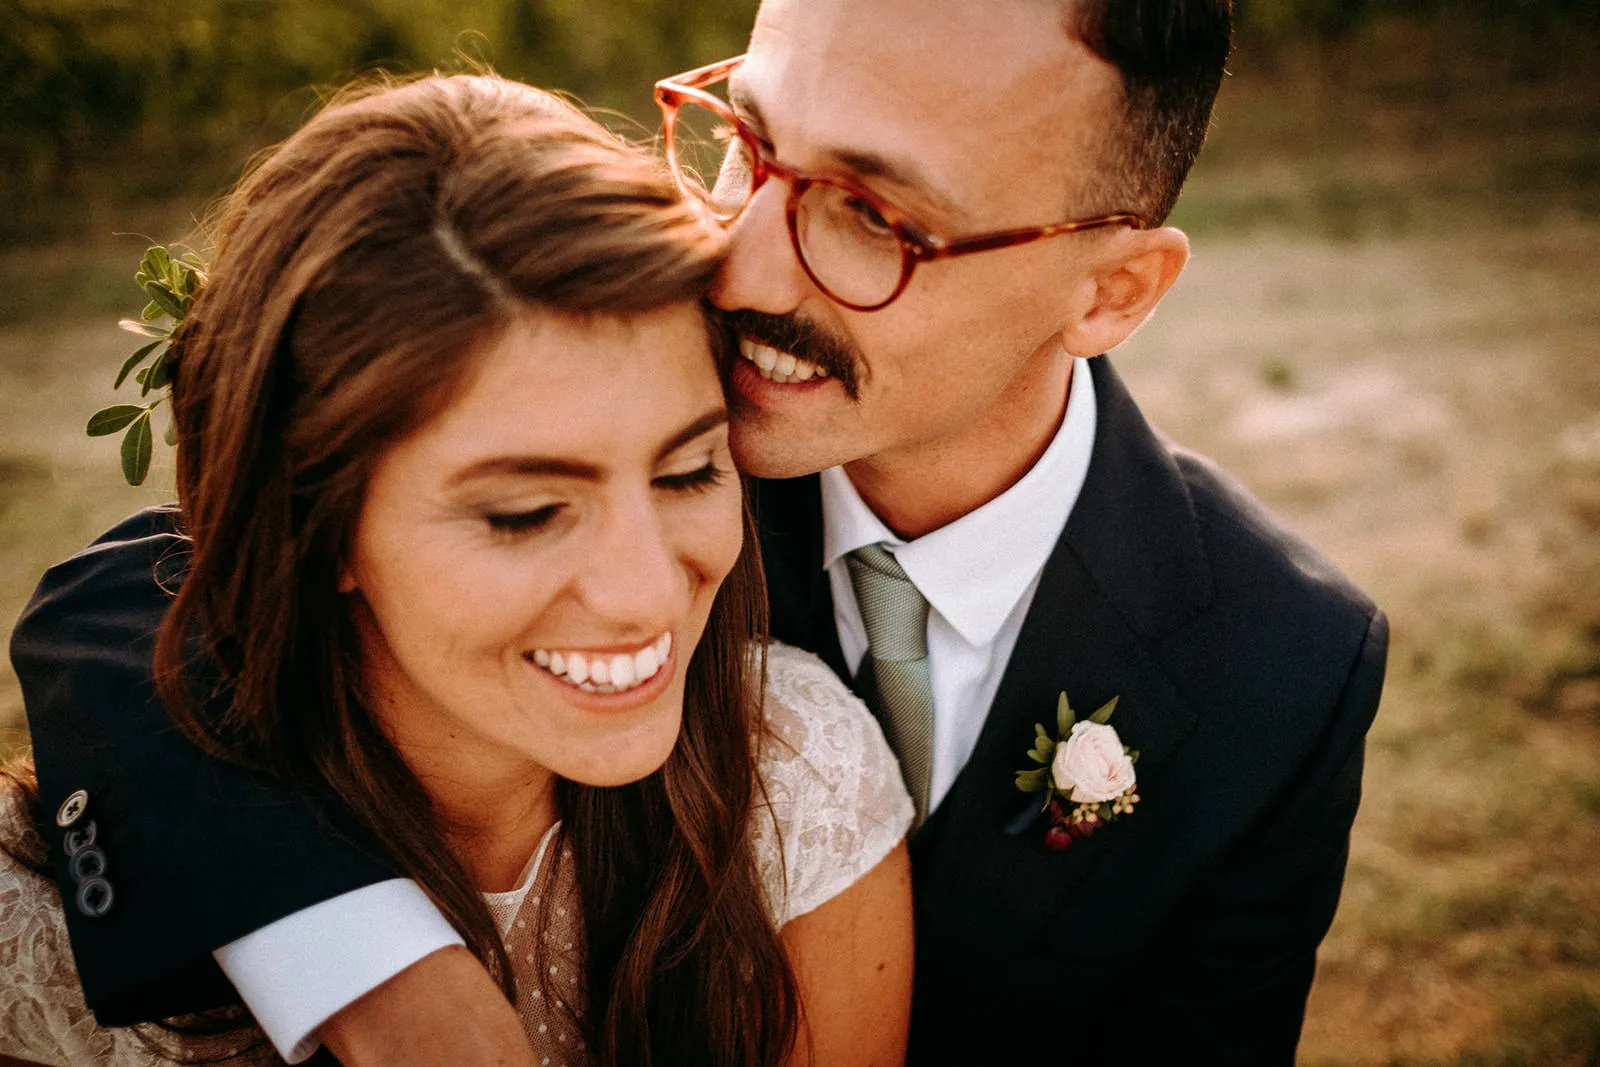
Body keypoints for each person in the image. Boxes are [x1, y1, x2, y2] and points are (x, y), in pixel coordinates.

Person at [11, 0, 1389, 1063]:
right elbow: (146, 600)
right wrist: (375, 967)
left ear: (1114, 290)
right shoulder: (656, 399)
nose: (738, 256)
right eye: (752, 143)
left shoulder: (1283, 670)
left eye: (872, 213)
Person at [0, 72, 915, 1067]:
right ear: (318, 521)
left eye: (688, 468)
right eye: (524, 513)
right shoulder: (41, 938)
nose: (645, 590)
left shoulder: (793, 770)